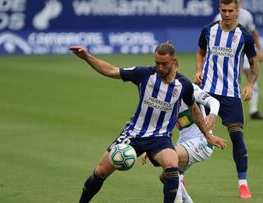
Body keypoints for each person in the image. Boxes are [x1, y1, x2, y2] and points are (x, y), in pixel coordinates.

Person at [70, 42, 227, 203]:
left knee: (171, 165)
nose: (160, 67)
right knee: (101, 171)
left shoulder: (184, 85)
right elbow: (111, 71)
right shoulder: (143, 74)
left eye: (164, 64)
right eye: (157, 63)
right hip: (133, 134)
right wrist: (87, 57)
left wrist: (207, 135)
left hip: (160, 138)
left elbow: (194, 110)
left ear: (174, 61)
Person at [195, 0, 259, 199]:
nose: (227, 14)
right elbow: (201, 52)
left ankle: (243, 184)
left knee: (237, 138)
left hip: (231, 94)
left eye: (231, 11)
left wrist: (249, 85)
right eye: (223, 10)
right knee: (195, 136)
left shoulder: (245, 37)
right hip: (207, 91)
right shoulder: (208, 30)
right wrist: (199, 70)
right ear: (219, 10)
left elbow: (254, 64)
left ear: (237, 11)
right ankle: (178, 174)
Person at [142, 81, 220, 203]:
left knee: (170, 165)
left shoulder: (188, 88)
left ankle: (177, 200)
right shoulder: (163, 98)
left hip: (203, 142)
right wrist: (154, 146)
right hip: (184, 143)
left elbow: (214, 101)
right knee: (165, 177)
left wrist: (212, 115)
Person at [214, 4, 263, 120]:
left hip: (244, 50)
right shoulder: (218, 18)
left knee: (251, 74)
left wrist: (259, 50)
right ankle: (218, 108)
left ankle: (253, 109)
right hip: (226, 52)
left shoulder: (246, 15)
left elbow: (254, 32)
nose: (227, 13)